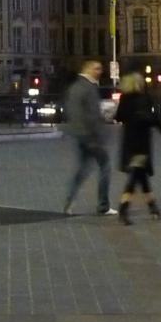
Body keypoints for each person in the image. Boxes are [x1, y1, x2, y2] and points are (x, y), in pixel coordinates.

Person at [61, 59, 117, 216]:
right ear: (87, 69)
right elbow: (89, 114)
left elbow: (76, 112)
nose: (100, 71)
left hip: (82, 135)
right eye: (96, 68)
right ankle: (103, 205)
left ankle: (70, 200)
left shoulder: (77, 86)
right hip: (91, 136)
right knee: (105, 166)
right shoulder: (87, 87)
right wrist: (94, 134)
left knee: (82, 169)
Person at [114, 72, 161, 225]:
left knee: (141, 176)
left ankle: (154, 210)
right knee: (135, 177)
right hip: (141, 142)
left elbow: (118, 117)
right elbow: (153, 117)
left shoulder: (124, 98)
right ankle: (123, 209)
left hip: (128, 141)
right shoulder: (144, 98)